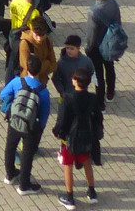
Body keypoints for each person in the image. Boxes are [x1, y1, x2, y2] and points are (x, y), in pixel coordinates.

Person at [52, 68, 106, 207]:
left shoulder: (68, 99)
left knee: (68, 165)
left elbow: (62, 120)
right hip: (87, 135)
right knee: (87, 161)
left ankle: (69, 197)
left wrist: (57, 132)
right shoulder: (93, 98)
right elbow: (98, 118)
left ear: (75, 81)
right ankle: (92, 192)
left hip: (70, 138)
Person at [0, 60, 49, 194]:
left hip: (15, 121)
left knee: (10, 147)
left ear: (27, 68)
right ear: (40, 71)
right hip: (31, 126)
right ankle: (24, 185)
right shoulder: (43, 90)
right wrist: (40, 128)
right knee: (27, 154)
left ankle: (10, 175)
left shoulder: (17, 82)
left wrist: (11, 108)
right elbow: (44, 114)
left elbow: (3, 95)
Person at [88, 0, 123, 101]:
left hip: (97, 47)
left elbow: (92, 33)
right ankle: (110, 93)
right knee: (110, 67)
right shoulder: (114, 4)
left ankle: (100, 101)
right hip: (110, 43)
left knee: (98, 74)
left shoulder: (93, 11)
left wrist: (88, 48)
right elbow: (118, 23)